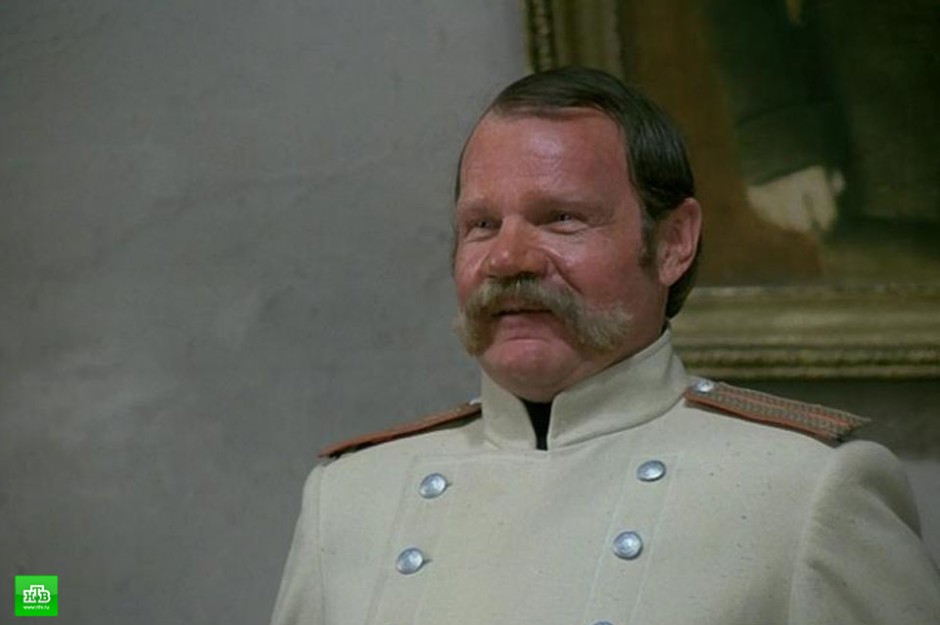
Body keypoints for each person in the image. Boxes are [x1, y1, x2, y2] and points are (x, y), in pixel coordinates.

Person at [270, 67, 940, 625]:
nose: (508, 257)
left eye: (561, 218)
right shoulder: (349, 497)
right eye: (482, 224)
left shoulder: (807, 489)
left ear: (673, 242)